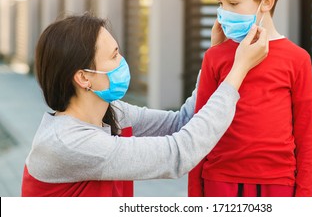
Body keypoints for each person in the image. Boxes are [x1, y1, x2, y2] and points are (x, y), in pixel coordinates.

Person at [21, 12, 269, 197]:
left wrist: (214, 57)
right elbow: (179, 154)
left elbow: (181, 122)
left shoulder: (110, 112)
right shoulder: (70, 143)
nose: (122, 61)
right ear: (84, 77)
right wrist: (238, 70)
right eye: (114, 55)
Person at [188, 0, 312, 197]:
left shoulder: (297, 59)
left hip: (278, 183)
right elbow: (199, 130)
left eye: (233, 3)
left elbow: (306, 137)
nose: (224, 12)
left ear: (266, 2)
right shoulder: (214, 56)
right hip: (219, 180)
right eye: (220, 3)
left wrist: (304, 199)